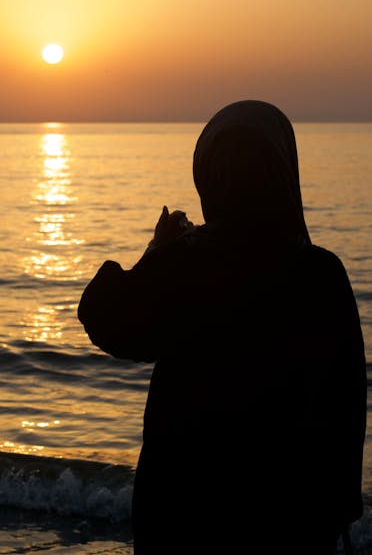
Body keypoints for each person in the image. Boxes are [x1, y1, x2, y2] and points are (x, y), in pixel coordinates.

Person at [78, 100, 366, 554]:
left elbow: (105, 319)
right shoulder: (319, 273)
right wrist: (339, 507)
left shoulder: (186, 262)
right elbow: (346, 401)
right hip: (286, 518)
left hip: (183, 513)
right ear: (282, 171)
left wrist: (157, 252)